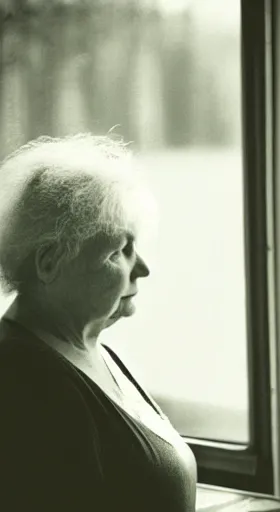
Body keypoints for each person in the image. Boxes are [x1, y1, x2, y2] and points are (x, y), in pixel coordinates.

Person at [0, 134, 197, 511]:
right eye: (119, 251)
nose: (142, 268)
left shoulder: (93, 350)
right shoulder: (23, 381)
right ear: (49, 262)